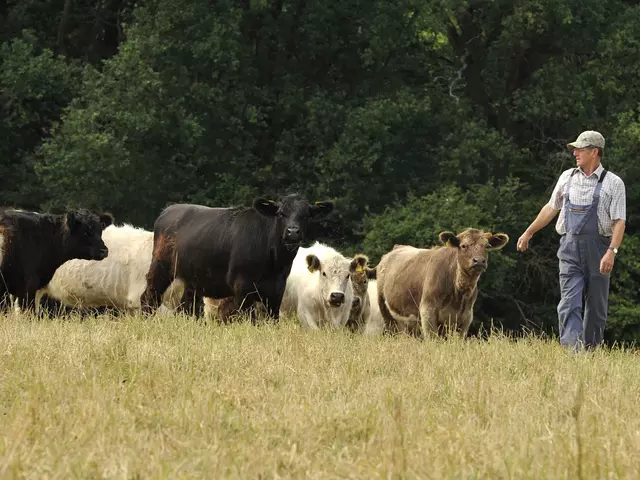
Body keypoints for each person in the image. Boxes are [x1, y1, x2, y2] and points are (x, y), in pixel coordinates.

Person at [516, 130, 626, 350]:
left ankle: (591, 351)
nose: (575, 153)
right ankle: (573, 352)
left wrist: (611, 251)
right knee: (569, 302)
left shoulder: (614, 183)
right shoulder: (567, 177)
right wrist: (529, 232)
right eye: (574, 149)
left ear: (595, 152)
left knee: (596, 306)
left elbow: (619, 222)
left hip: (599, 249)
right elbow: (551, 208)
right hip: (569, 249)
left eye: (580, 149)